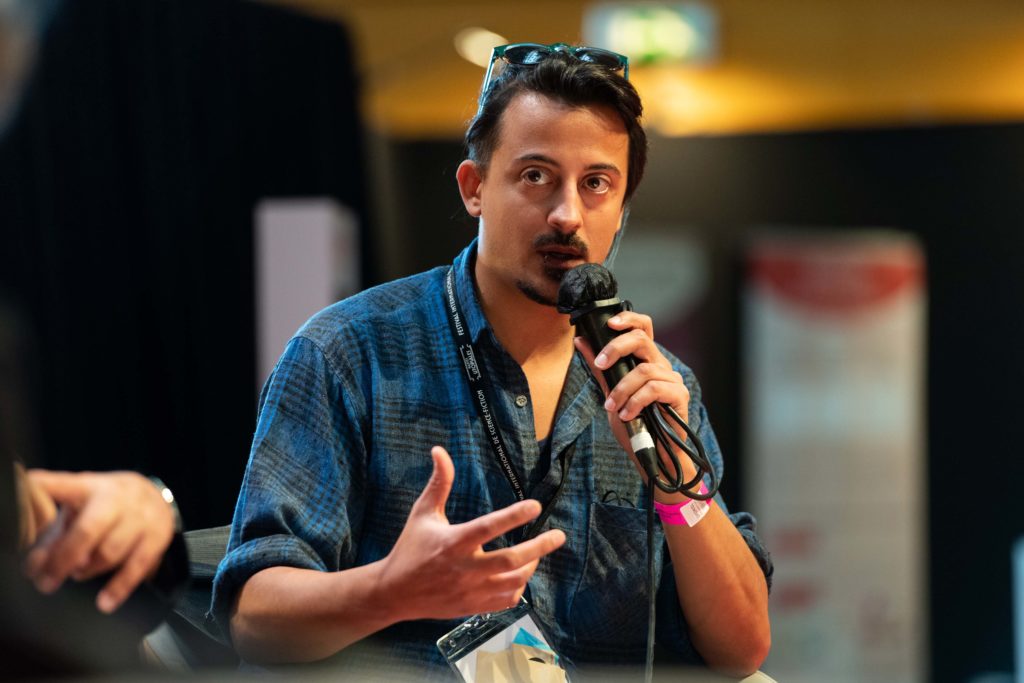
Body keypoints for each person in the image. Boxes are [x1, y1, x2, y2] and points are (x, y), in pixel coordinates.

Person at [212, 42, 772, 678]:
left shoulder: (656, 386)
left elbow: (743, 648)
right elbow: (253, 618)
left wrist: (677, 481)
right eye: (535, 176)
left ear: (621, 209)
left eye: (596, 184)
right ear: (474, 188)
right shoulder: (350, 352)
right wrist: (390, 590)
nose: (567, 214)